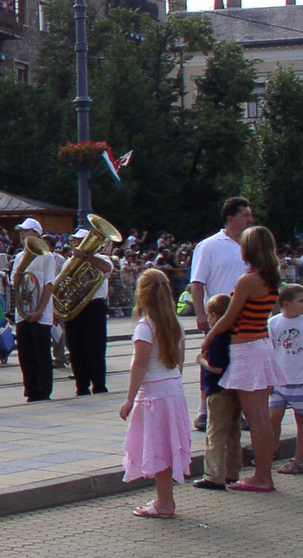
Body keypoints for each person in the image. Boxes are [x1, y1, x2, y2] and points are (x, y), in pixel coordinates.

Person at [197, 225, 282, 492]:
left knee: (256, 420)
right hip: (261, 344)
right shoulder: (271, 277)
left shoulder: (248, 280)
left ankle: (262, 477)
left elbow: (228, 318)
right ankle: (263, 474)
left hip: (245, 349)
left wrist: (208, 339)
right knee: (261, 418)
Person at [120, 267, 194, 519]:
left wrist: (129, 398)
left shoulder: (145, 326)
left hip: (153, 395)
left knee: (157, 447)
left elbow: (139, 364)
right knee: (168, 446)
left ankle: (165, 502)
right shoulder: (175, 323)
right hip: (173, 391)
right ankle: (165, 499)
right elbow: (179, 361)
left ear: (142, 294)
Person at [188, 197, 253, 426]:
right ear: (231, 217)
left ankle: (241, 410)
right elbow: (197, 282)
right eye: (245, 215)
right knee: (211, 360)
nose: (249, 219)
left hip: (245, 316)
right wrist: (200, 314)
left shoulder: (249, 245)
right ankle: (203, 410)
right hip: (218, 315)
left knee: (242, 362)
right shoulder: (210, 245)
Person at [269, 283, 303, 476]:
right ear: (286, 304)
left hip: (302, 380)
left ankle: (299, 459)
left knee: (302, 419)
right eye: (300, 301)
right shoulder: (274, 323)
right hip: (279, 381)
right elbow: (268, 352)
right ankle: (273, 449)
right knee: (273, 417)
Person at [192, 294, 239, 490]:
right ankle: (232, 472)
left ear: (214, 315)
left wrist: (201, 360)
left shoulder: (218, 337)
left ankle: (214, 476)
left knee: (215, 434)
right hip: (235, 389)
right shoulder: (235, 333)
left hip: (218, 391)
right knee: (233, 434)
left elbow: (216, 367)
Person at [11, 218, 60, 402]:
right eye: (22, 231)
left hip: (41, 313)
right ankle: (30, 389)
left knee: (41, 354)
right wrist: (17, 275)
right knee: (25, 354)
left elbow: (48, 285)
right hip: (22, 312)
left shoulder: (47, 257)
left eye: (26, 231)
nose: (22, 234)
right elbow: (14, 285)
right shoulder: (18, 257)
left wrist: (40, 310)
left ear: (36, 234)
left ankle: (44, 390)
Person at [63, 228, 115, 396]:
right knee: (75, 348)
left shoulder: (101, 258)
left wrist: (85, 256)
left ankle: (99, 384)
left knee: (96, 348)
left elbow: (107, 268)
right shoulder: (69, 261)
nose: (78, 244)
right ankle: (81, 385)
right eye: (77, 241)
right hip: (74, 307)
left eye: (81, 241)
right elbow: (62, 283)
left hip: (94, 307)